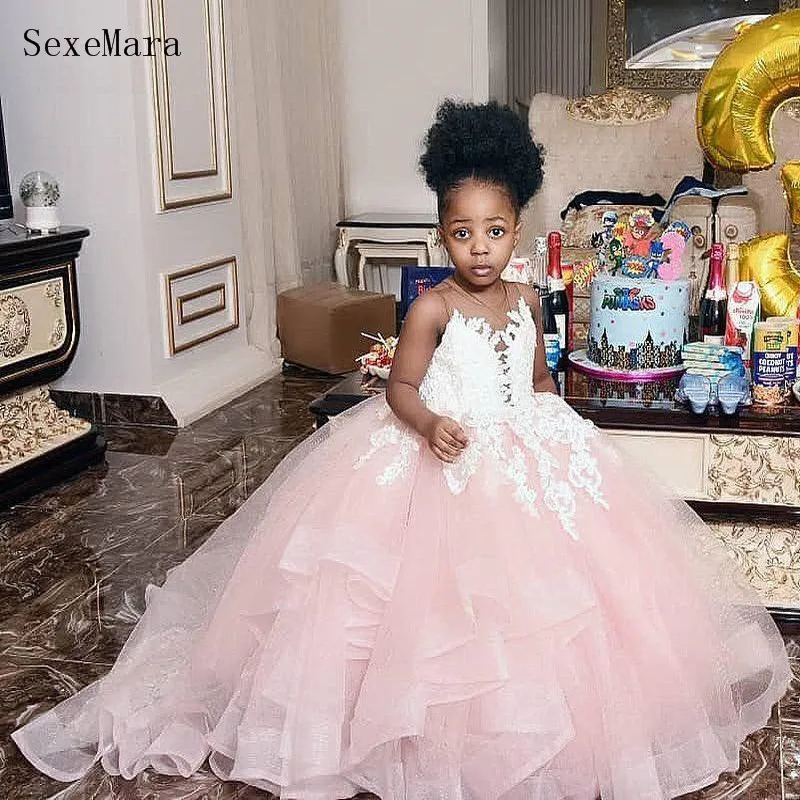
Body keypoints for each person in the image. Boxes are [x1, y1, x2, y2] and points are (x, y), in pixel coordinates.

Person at [12, 100, 790, 800]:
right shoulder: (432, 308)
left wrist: (557, 431)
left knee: (565, 594)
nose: (479, 248)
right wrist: (428, 424)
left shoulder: (528, 299)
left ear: (517, 230)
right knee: (414, 600)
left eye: (494, 231)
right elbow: (401, 389)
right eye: (462, 233)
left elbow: (537, 377)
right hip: (441, 449)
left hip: (526, 451)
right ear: (442, 234)